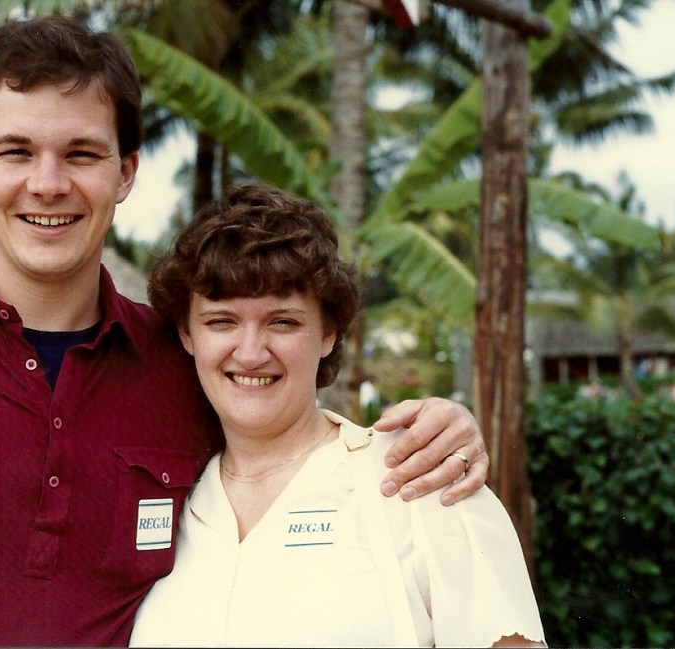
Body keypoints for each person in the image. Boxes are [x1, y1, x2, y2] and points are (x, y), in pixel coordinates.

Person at [0, 16, 487, 647]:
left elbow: (296, 433)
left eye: (82, 154)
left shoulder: (185, 360)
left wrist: (445, 426)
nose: (48, 182)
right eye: (16, 151)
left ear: (126, 172)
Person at [130, 184, 545, 647]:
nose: (249, 353)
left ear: (328, 332)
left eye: (282, 321)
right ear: (187, 335)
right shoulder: (165, 497)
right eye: (221, 321)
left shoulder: (419, 475)